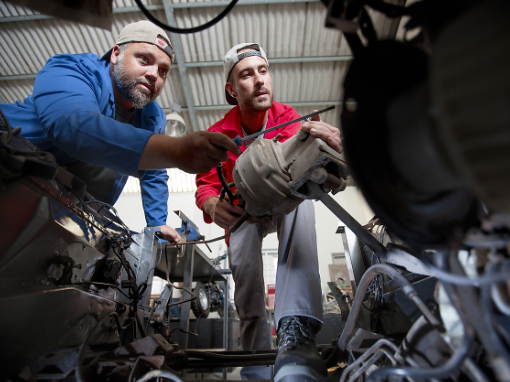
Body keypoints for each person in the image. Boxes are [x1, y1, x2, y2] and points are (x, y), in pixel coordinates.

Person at [0, 20, 240, 244]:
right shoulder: (70, 69)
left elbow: (154, 174)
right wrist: (175, 150)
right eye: (144, 59)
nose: (154, 74)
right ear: (116, 53)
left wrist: (157, 224)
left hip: (67, 207)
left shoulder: (152, 116)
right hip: (10, 172)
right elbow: (73, 127)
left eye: (164, 71)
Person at [195, 43, 342, 382]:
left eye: (263, 71)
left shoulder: (289, 118)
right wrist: (211, 204)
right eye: (247, 74)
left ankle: (297, 330)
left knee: (300, 205)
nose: (259, 80)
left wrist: (326, 152)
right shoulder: (218, 133)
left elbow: (305, 164)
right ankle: (256, 366)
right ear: (232, 89)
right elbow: (204, 184)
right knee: (244, 264)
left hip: (281, 201)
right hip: (243, 212)